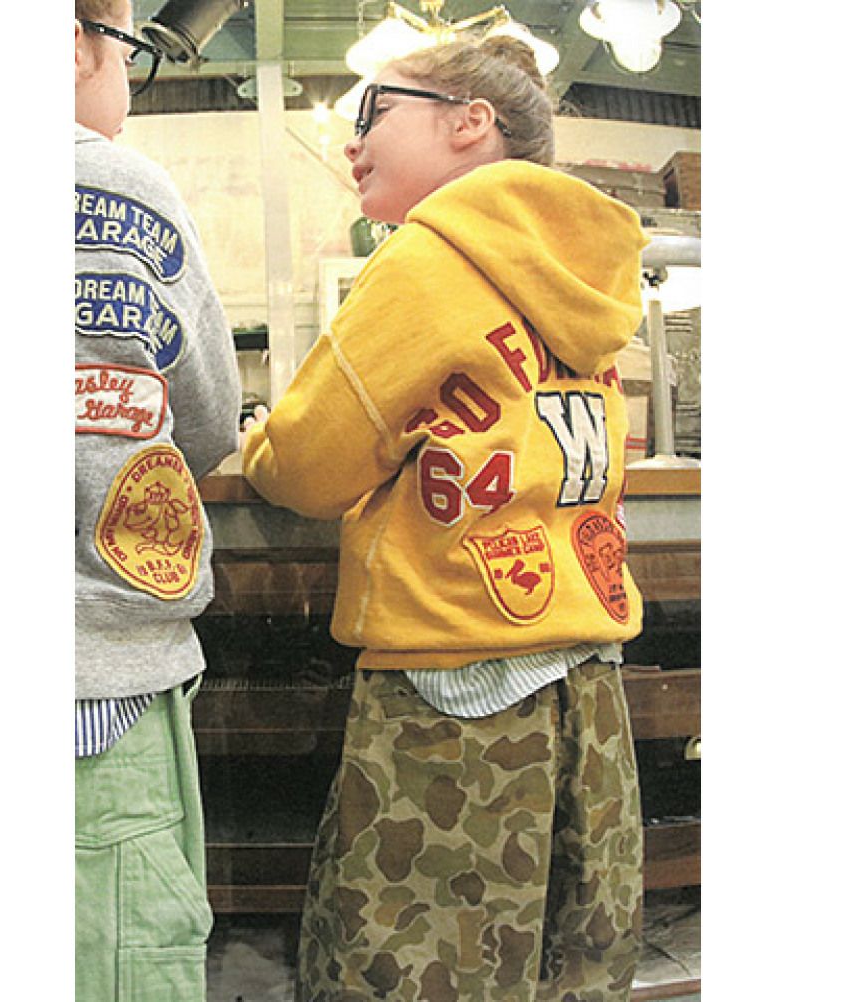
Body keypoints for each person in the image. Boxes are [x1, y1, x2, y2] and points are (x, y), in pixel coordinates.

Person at [241, 35, 649, 1002]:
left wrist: (260, 441)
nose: (352, 142)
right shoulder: (588, 271)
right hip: (589, 684)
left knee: (415, 966)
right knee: (569, 962)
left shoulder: (428, 259)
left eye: (374, 109)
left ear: (470, 123)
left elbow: (305, 468)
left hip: (455, 686)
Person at [74, 2, 240, 999]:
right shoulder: (116, 182)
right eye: (130, 51)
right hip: (96, 681)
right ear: (70, 44)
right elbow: (210, 418)